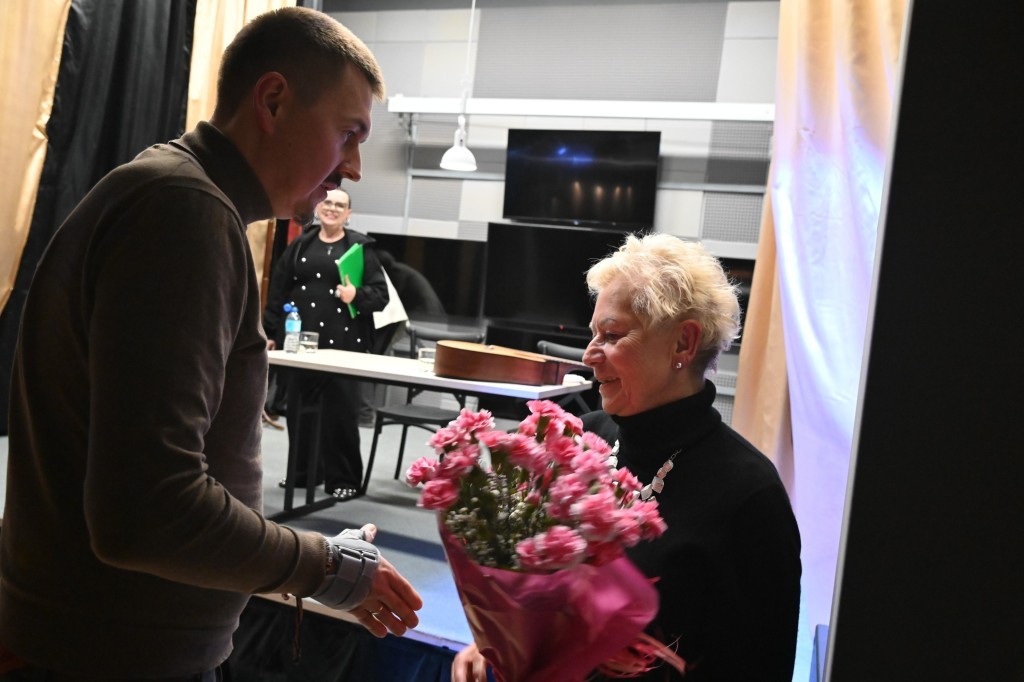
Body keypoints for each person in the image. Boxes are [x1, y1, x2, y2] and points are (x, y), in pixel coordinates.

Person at [0, 8, 423, 680]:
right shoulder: (183, 210)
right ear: (273, 101)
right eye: (349, 133)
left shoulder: (176, 195)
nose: (354, 168)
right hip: (103, 658)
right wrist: (322, 566)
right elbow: (148, 509)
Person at [453, 233, 801, 682]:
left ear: (683, 344)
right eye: (593, 334)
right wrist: (501, 642)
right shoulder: (579, 437)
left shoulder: (749, 495)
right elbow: (531, 594)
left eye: (612, 335)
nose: (588, 355)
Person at [263, 187, 387, 501]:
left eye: (339, 205)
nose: (332, 208)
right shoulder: (301, 244)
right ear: (319, 208)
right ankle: (303, 473)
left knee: (340, 414)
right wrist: (270, 332)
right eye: (327, 202)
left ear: (349, 214)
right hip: (301, 341)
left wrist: (356, 295)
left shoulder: (358, 248)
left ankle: (344, 479)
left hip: (344, 344)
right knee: (299, 411)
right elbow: (279, 287)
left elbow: (380, 296)